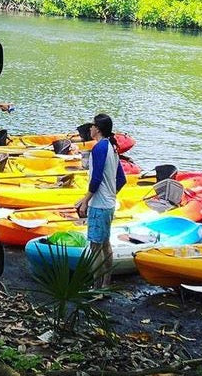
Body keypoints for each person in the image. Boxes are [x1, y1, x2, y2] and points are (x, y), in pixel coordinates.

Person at [73, 113, 127, 289]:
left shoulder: (99, 148)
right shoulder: (112, 147)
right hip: (109, 204)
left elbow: (96, 179)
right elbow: (121, 179)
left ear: (97, 129)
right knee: (105, 244)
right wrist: (111, 194)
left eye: (92, 125)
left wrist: (85, 201)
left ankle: (96, 289)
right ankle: (106, 285)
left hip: (99, 205)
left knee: (95, 248)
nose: (90, 128)